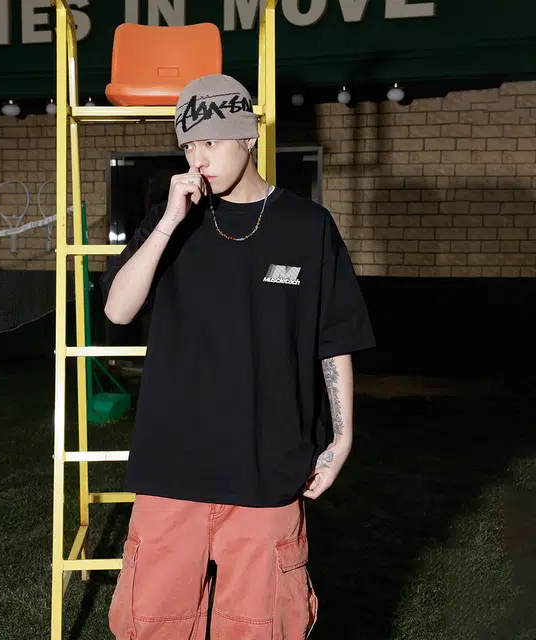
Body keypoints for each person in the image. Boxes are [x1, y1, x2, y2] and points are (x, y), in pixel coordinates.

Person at [100, 74, 375, 639]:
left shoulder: (308, 226)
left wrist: (342, 439)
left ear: (248, 137)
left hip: (266, 469)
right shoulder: (171, 220)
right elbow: (118, 310)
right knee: (152, 626)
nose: (198, 158)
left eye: (211, 141)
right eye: (188, 145)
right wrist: (169, 222)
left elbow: (335, 339)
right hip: (173, 468)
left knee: (261, 628)